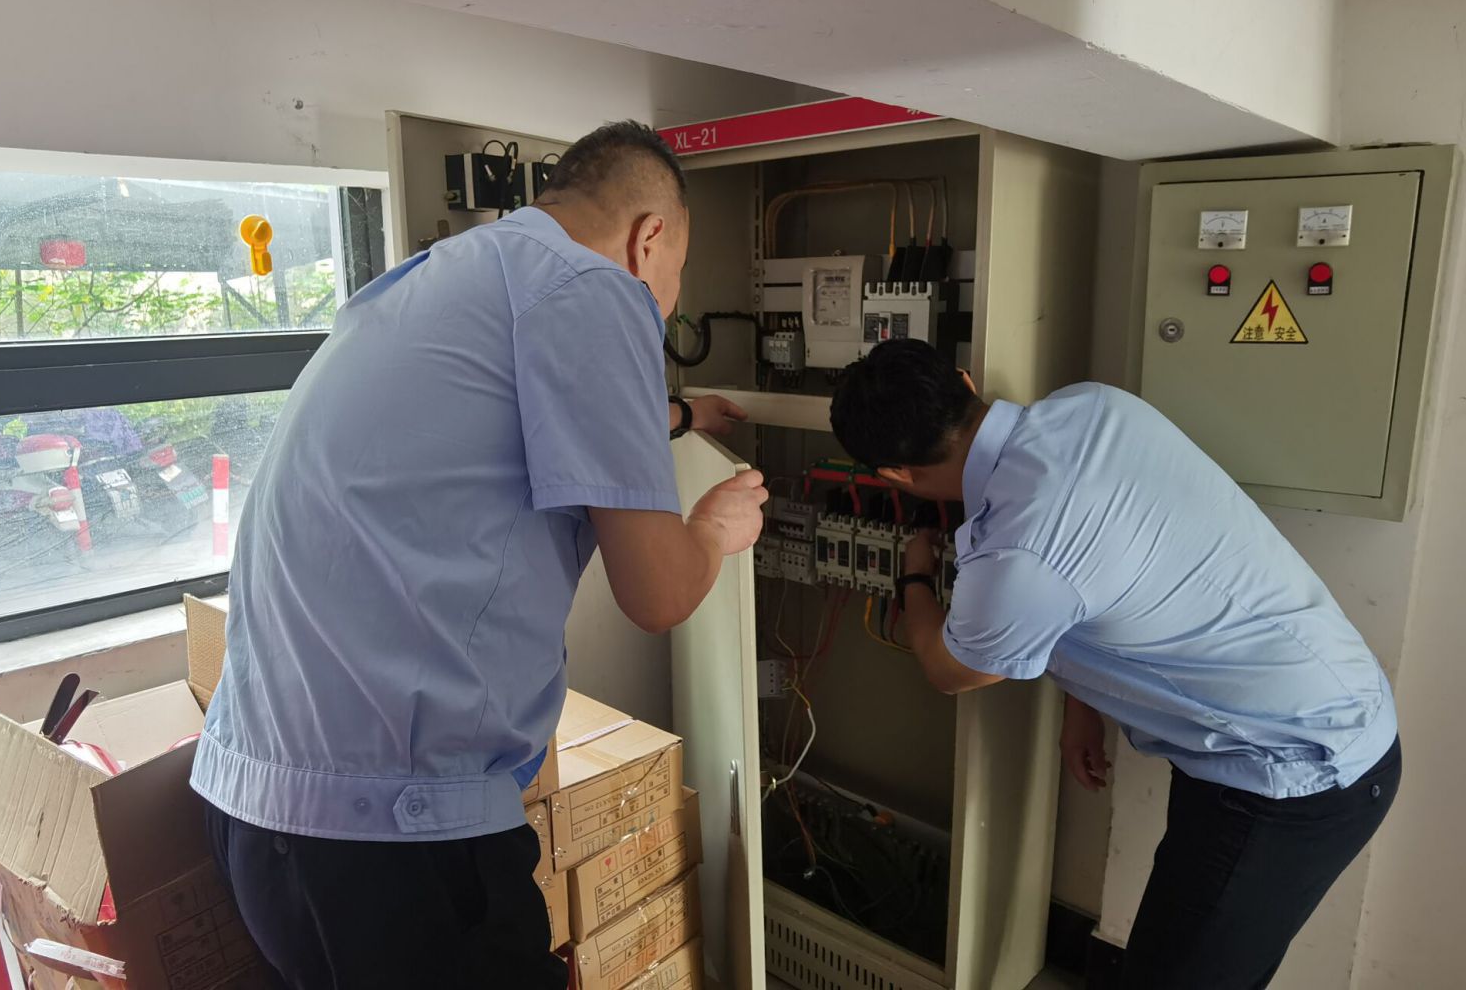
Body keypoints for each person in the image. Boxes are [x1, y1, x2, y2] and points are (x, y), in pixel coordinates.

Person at [190, 121, 766, 989]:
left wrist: (682, 417)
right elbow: (657, 594)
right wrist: (716, 528)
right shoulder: (599, 290)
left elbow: (510, 422)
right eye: (674, 280)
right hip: (395, 838)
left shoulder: (435, 277)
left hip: (255, 808)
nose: (664, 305)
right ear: (648, 240)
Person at [829, 339, 1400, 990]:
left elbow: (949, 669)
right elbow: (1115, 573)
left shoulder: (1017, 555)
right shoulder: (1094, 406)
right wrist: (1083, 707)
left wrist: (914, 575)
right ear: (963, 380)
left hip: (1292, 775)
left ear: (895, 474)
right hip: (1325, 710)